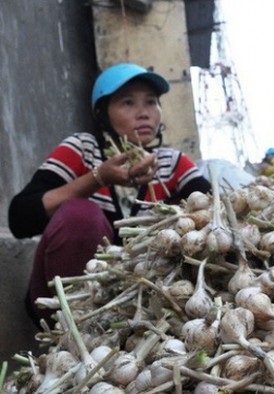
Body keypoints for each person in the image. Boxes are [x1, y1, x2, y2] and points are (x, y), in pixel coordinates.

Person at [8, 63, 211, 326]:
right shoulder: (83, 149)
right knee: (81, 215)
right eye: (128, 103)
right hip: (64, 305)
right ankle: (71, 326)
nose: (144, 113)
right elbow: (20, 218)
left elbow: (212, 208)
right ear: (103, 113)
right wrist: (97, 178)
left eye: (151, 102)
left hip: (140, 308)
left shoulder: (171, 164)